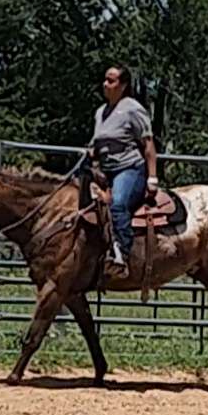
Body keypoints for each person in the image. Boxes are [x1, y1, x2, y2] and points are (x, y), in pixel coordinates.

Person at [89, 64, 158, 279]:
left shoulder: (132, 109)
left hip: (129, 168)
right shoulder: (101, 112)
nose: (105, 84)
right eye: (105, 79)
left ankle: (122, 255)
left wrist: (152, 176)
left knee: (118, 204)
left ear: (123, 85)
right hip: (105, 170)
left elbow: (148, 144)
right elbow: (97, 142)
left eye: (111, 80)